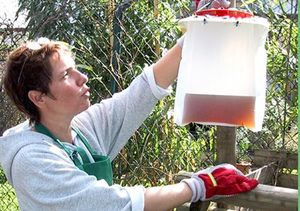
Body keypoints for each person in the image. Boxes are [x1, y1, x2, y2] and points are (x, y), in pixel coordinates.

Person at [0, 1, 258, 210]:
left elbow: (141, 93)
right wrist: (200, 185)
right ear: (38, 97)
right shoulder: (32, 159)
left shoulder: (79, 130)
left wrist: (198, 30)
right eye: (67, 75)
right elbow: (114, 203)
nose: (83, 77)